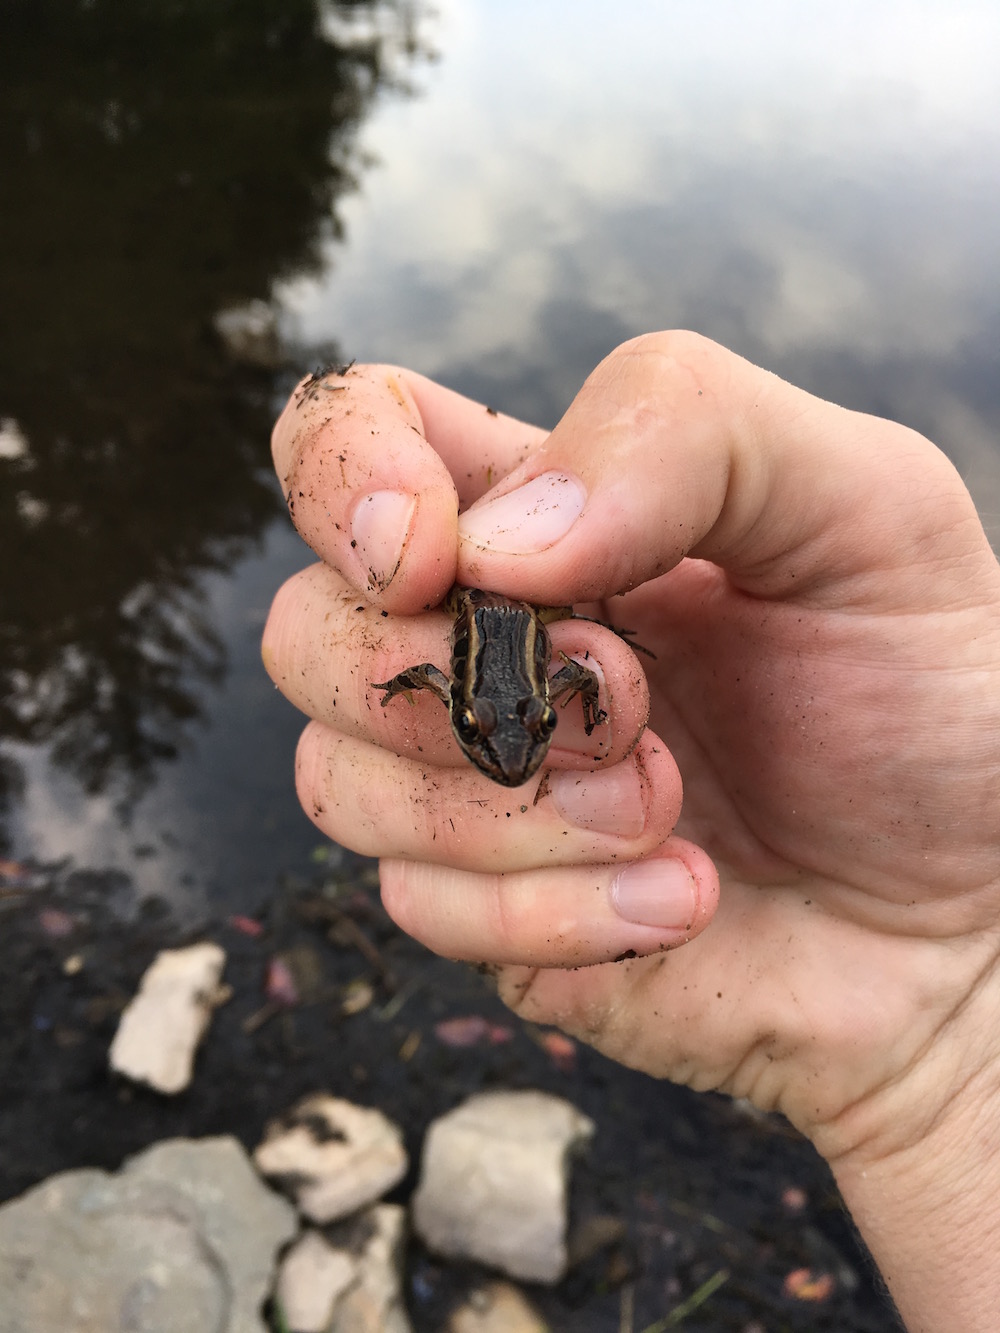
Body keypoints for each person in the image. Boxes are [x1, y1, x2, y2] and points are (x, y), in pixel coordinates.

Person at [263, 331, 1000, 1332]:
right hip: (488, 610)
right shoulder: (482, 705)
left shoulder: (526, 703)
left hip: (517, 607)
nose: (512, 758)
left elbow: (560, 677)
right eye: (493, 740)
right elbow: (444, 679)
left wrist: (955, 1049)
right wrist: (946, 1069)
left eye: (522, 737)